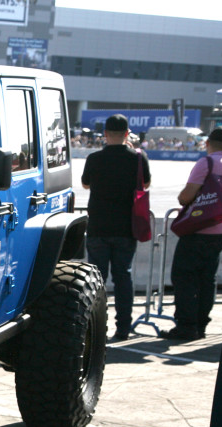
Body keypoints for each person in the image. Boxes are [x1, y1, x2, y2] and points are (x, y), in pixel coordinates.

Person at [161, 126, 222, 341]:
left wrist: (182, 199)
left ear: (207, 143)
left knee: (184, 277)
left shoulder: (206, 162)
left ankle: (186, 326)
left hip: (200, 229)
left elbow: (186, 196)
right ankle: (201, 325)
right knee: (207, 279)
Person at [81, 113, 150, 341]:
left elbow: (85, 184)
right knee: (123, 277)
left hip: (99, 225)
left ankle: (95, 329)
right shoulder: (138, 158)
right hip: (126, 227)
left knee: (96, 280)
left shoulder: (94, 158)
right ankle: (123, 328)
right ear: (127, 133)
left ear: (105, 134)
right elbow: (146, 183)